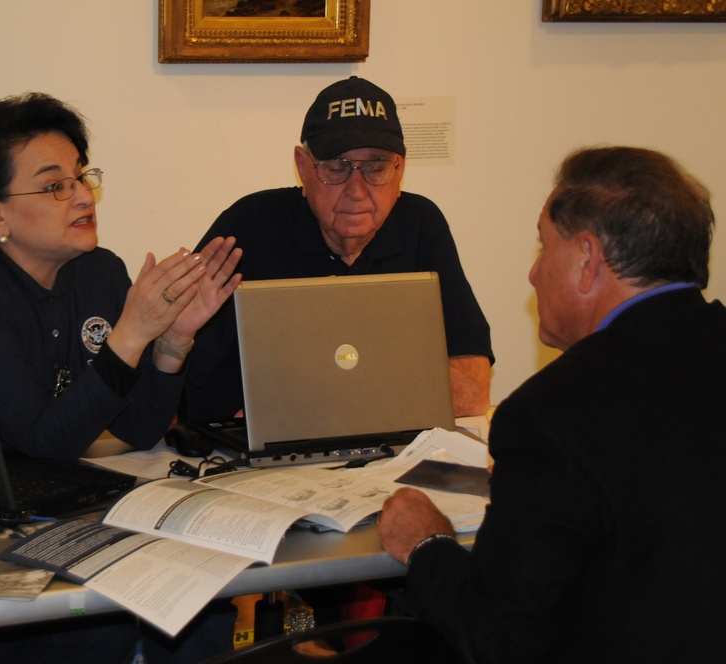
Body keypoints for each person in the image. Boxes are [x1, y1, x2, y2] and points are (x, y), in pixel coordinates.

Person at [378, 146, 726, 663]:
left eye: (543, 247)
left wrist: (428, 544)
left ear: (587, 260)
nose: (534, 274)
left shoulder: (551, 415)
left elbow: (497, 640)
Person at [0, 92, 241, 462]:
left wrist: (172, 339)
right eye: (55, 187)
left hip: (62, 494)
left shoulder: (100, 272)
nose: (84, 196)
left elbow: (140, 429)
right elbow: (43, 444)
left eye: (81, 176)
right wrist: (131, 333)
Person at [183, 76, 493, 423]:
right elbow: (179, 386)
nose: (357, 191)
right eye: (337, 168)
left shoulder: (420, 225)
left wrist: (304, 411)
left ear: (399, 170)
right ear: (303, 167)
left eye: (375, 169)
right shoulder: (249, 227)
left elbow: (471, 388)